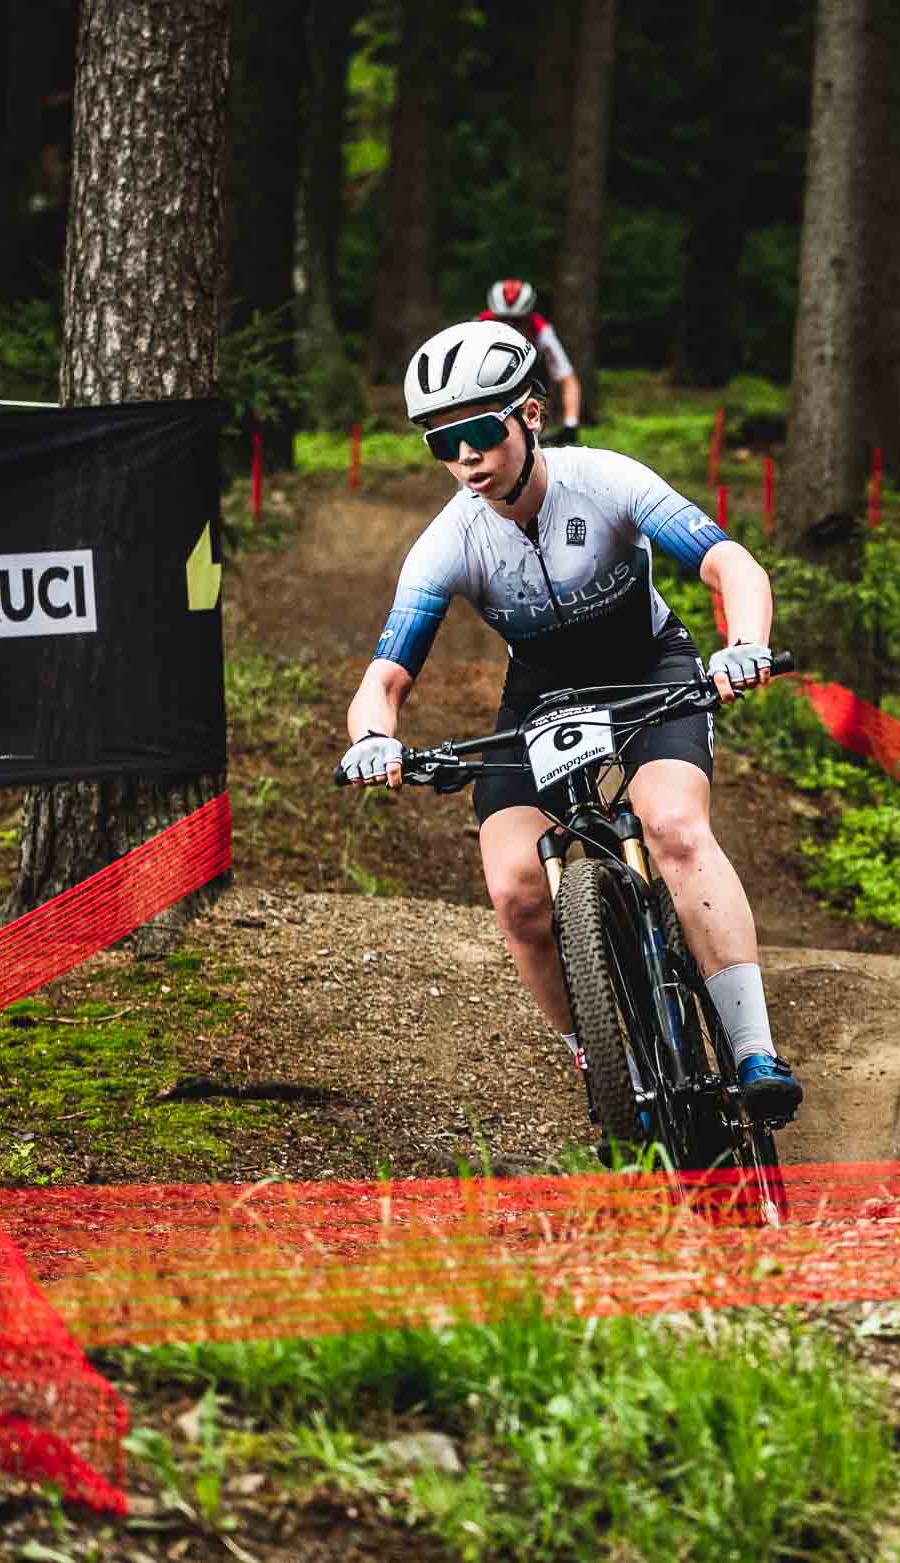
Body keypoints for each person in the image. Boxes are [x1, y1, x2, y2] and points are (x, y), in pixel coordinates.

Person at [337, 319, 802, 1122]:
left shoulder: (606, 480)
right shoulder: (449, 540)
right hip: (543, 697)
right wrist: (373, 738)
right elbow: (386, 676)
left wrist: (744, 644)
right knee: (516, 888)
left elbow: (729, 562)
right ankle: (598, 1054)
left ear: (530, 415)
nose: (465, 458)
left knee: (673, 826)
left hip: (646, 667)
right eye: (442, 443)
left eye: (482, 433)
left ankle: (755, 1049)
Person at [479, 278, 587, 443]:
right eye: (502, 319)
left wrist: (570, 424)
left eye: (517, 321)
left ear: (528, 315)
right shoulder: (478, 326)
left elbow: (567, 379)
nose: (510, 327)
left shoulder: (541, 330)